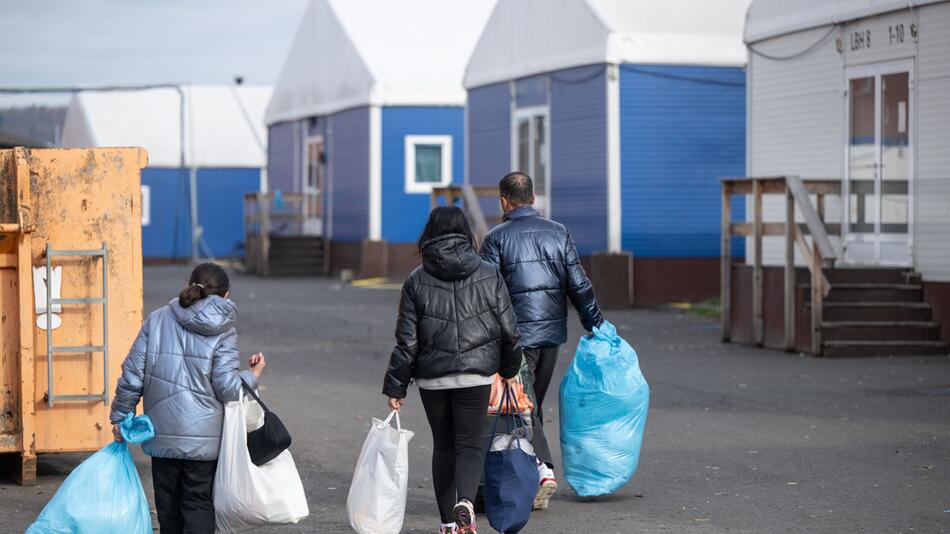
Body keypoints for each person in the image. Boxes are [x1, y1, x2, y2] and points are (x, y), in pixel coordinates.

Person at [383, 206, 523, 534]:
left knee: (443, 447)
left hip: (433, 379)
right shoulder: (488, 273)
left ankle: (448, 523)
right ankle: (466, 504)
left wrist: (396, 386)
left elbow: (406, 341)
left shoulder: (416, 279)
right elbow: (509, 328)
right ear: (466, 232)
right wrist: (510, 367)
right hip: (476, 375)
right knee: (470, 445)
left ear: (429, 234)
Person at [110, 263, 265, 534]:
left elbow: (132, 376)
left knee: (168, 508)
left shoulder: (157, 320)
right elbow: (227, 388)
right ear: (225, 295)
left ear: (189, 283)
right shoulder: (224, 331)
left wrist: (121, 417)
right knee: (198, 503)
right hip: (204, 440)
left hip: (160, 435)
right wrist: (252, 375)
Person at [480, 172, 604, 511]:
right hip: (551, 336)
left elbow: (486, 291)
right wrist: (596, 324)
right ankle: (531, 474)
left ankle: (542, 470)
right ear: (533, 198)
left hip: (515, 338)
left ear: (504, 201)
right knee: (530, 405)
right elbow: (579, 284)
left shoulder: (496, 238)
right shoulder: (559, 233)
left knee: (523, 407)